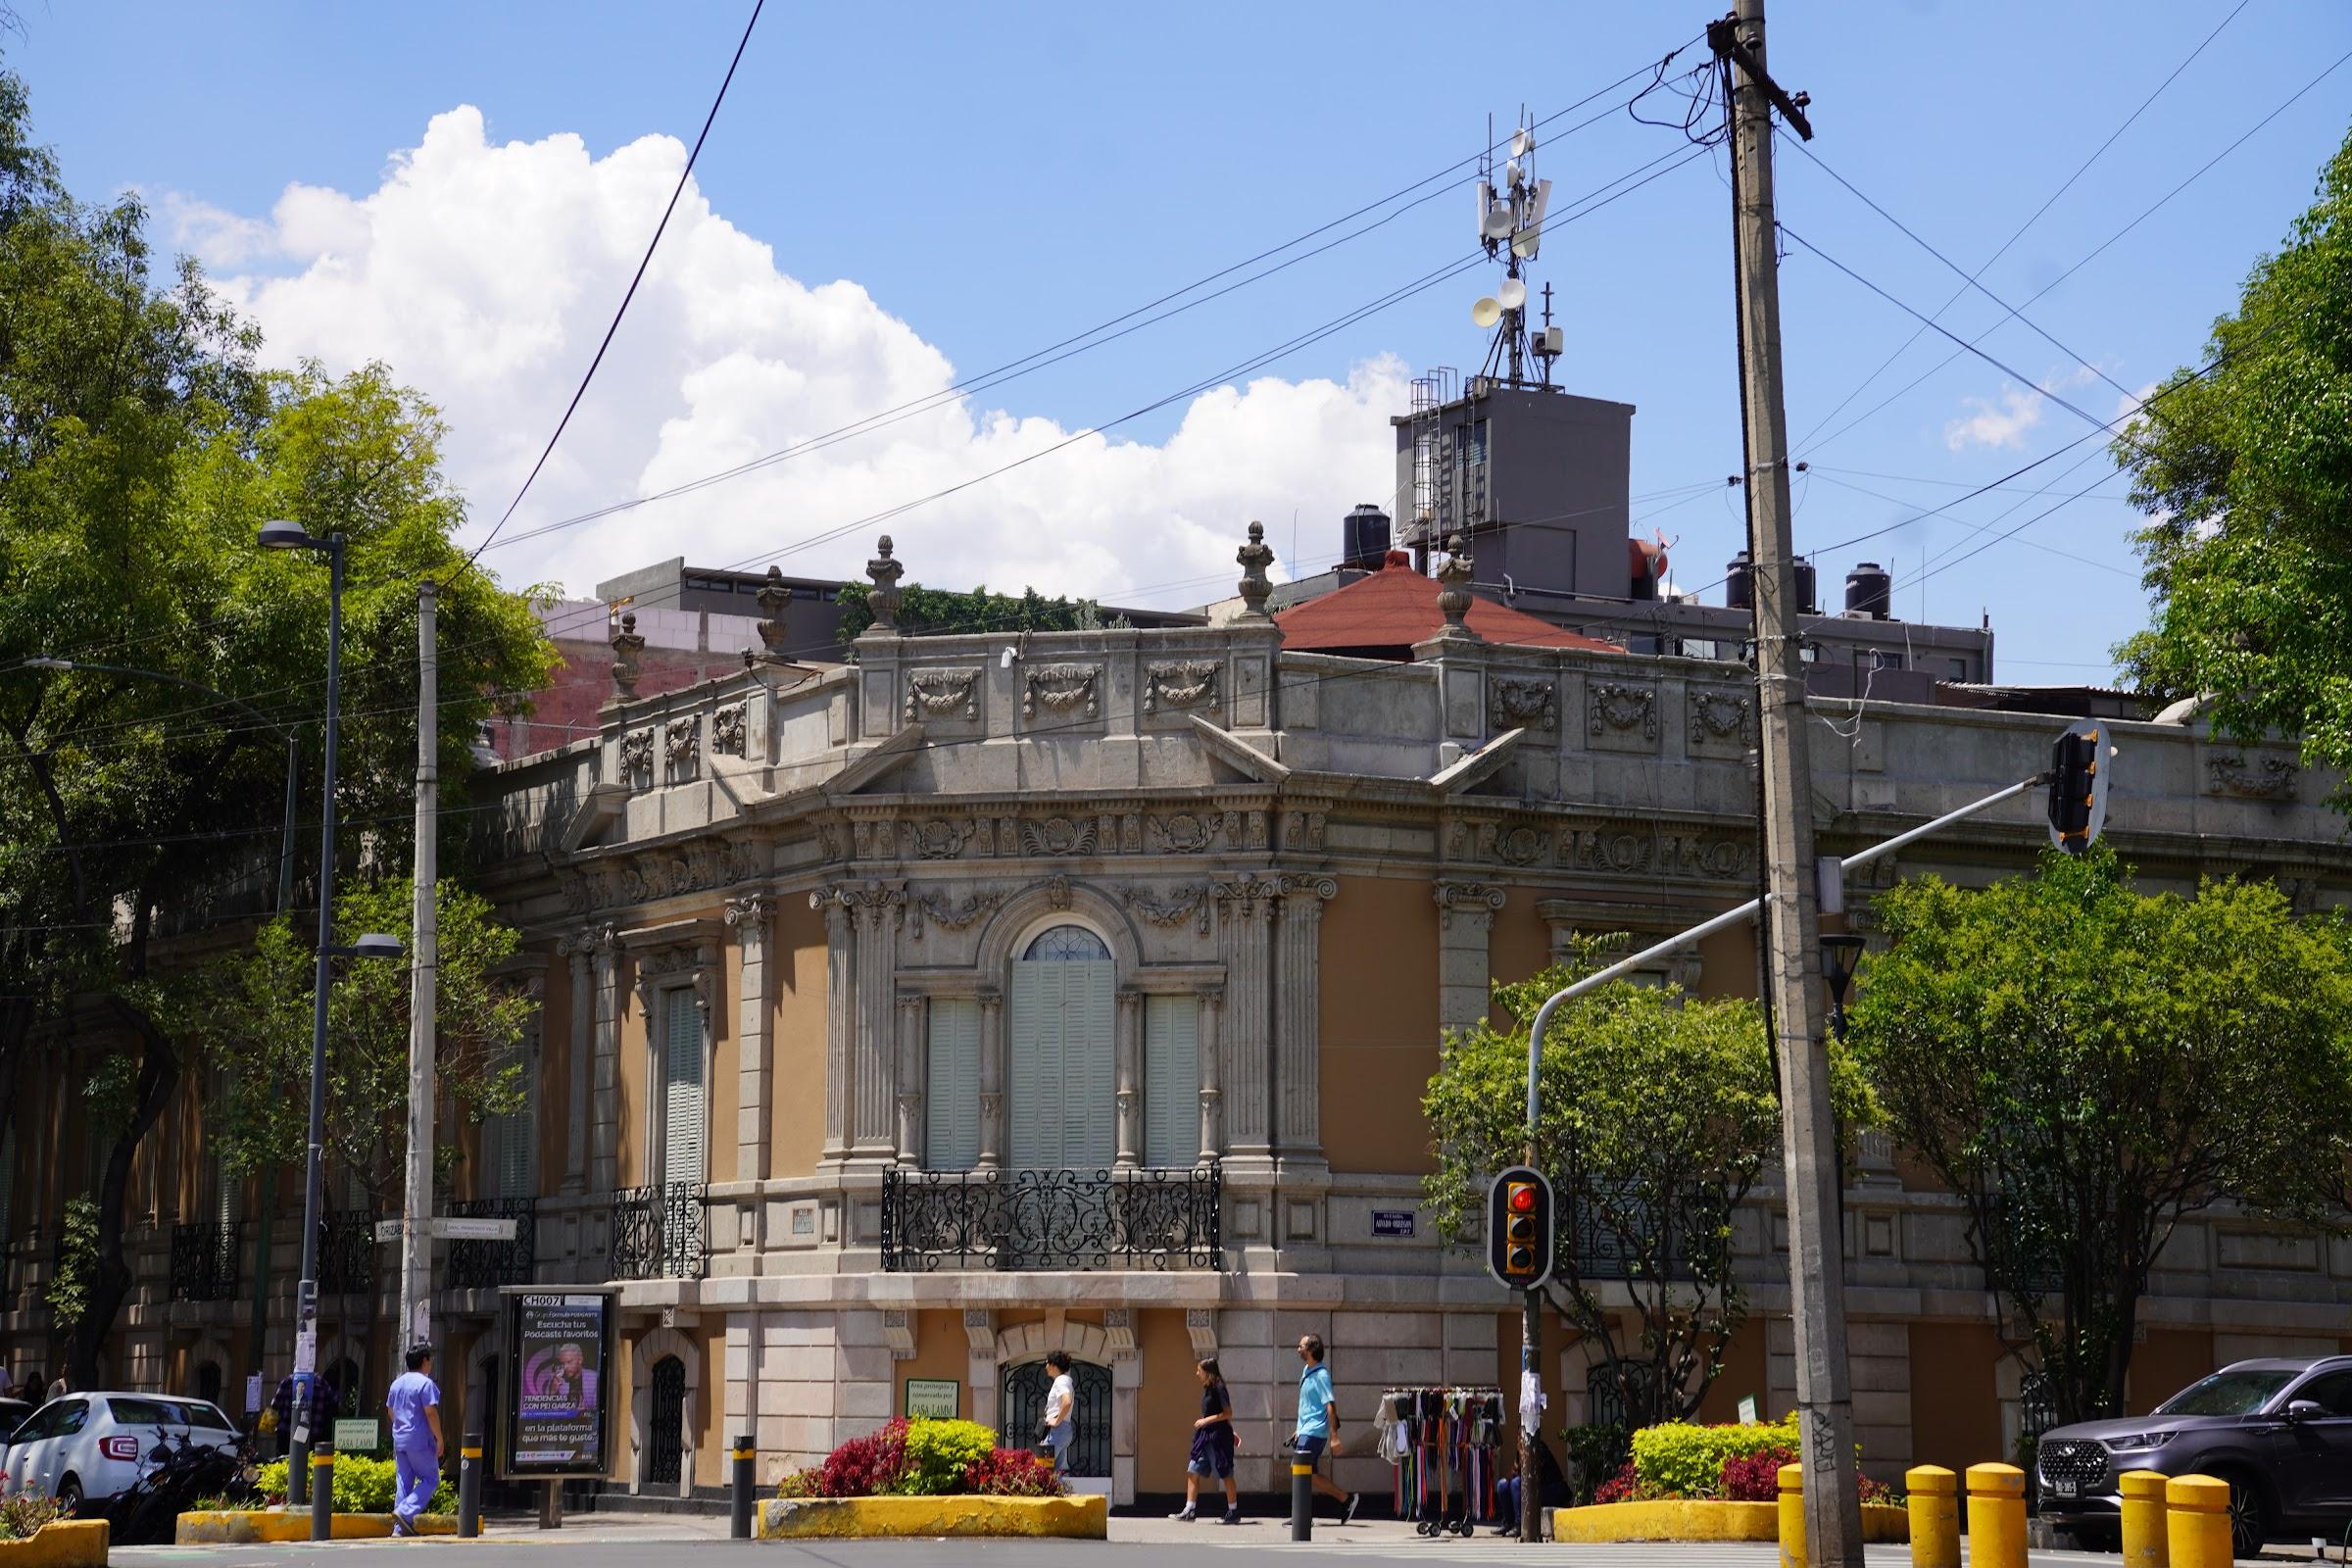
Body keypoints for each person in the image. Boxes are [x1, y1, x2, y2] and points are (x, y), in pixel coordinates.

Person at [1290, 1334, 1359, 1523]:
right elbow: (1308, 1405)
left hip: (1315, 1431)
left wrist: (1334, 1436)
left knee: (1300, 1469)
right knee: (1307, 1473)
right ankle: (1346, 1500)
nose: (1298, 1349)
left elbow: (1330, 1406)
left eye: (1301, 1345)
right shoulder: (1307, 1371)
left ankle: (1302, 1517)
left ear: (1311, 1349)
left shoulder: (1321, 1376)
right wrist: (1299, 1429)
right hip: (1306, 1430)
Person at [385, 1344, 444, 1538]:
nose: (431, 1363)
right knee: (431, 1478)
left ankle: (400, 1528)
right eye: (430, 1360)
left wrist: (401, 1426)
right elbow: (430, 1412)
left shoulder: (396, 1383)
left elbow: (390, 1411)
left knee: (403, 1481)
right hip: (419, 1439)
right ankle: (405, 1511)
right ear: (424, 1361)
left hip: (400, 1438)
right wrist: (439, 1438)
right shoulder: (425, 1384)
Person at [1173, 1356, 1241, 1524]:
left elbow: (1228, 1413)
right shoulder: (1208, 1389)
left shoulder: (1219, 1388)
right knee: (1193, 1470)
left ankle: (1233, 1512)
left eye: (1199, 1370)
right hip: (1205, 1437)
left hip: (1218, 1437)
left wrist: (1206, 1421)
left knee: (1226, 1473)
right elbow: (1217, 1413)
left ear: (1208, 1372)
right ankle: (1190, 1510)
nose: (1197, 1373)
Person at [1492, 1433, 1570, 1536]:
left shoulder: (1539, 1448)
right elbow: (1515, 1472)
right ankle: (1508, 1522)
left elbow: (1535, 1476)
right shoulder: (1520, 1449)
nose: (1521, 1438)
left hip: (1551, 1489)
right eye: (1519, 1435)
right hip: (1534, 1489)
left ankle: (1520, 1524)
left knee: (1516, 1483)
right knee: (1502, 1484)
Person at [1039, 1349, 1076, 1476]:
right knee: (1053, 1475)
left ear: (1054, 1364)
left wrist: (1056, 1421)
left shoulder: (1061, 1381)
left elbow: (1067, 1402)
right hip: (1063, 1431)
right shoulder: (1065, 1380)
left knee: (1040, 1469)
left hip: (1057, 1431)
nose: (1046, 1366)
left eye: (1047, 1363)